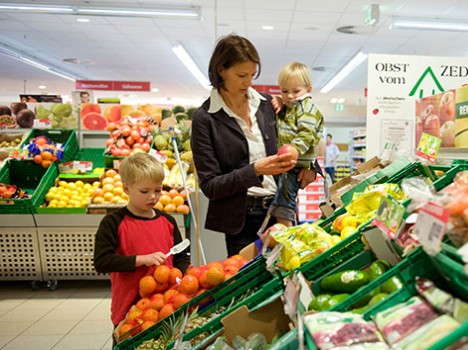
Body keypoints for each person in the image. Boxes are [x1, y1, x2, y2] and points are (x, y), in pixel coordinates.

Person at [191, 34, 316, 256]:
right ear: (221, 70)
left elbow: (302, 133)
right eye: (241, 75)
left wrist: (311, 167)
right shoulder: (205, 119)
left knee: (284, 278)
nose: (248, 82)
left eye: (252, 75)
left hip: (279, 208)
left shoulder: (268, 105)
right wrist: (256, 170)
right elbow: (210, 185)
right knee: (248, 283)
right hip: (240, 220)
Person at [93, 152, 190, 346]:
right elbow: (102, 262)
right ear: (126, 189)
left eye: (158, 190)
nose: (153, 196)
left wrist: (183, 275)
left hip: (166, 305)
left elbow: (180, 257)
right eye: (144, 191)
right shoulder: (113, 222)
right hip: (128, 308)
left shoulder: (168, 221)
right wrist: (140, 260)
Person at [268, 62, 324, 226]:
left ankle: (286, 229)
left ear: (309, 89)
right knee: (283, 195)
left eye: (296, 91)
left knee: (285, 196)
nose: (290, 96)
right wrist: (278, 100)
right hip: (288, 161)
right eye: (284, 91)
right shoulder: (290, 108)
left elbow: (306, 134)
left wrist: (293, 150)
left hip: (296, 162)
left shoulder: (306, 109)